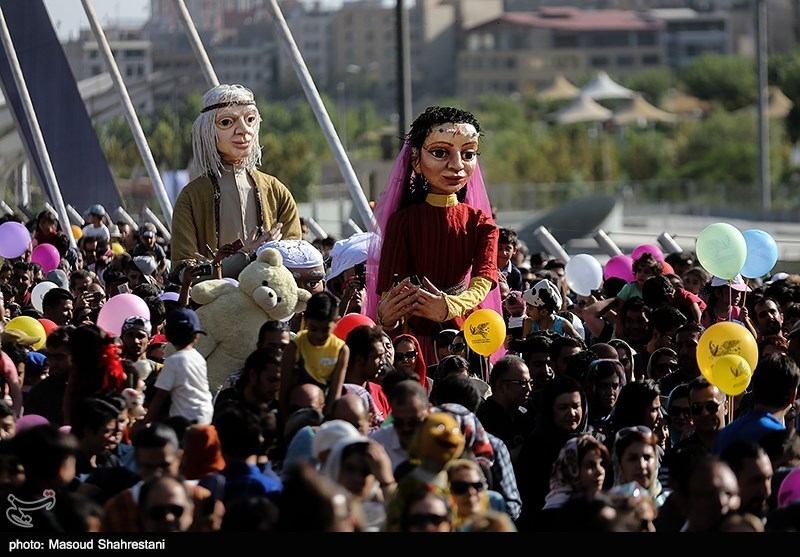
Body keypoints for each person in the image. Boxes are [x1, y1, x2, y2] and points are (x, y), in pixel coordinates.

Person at [366, 106, 501, 366]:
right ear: (416, 159)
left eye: (468, 154)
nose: (457, 165)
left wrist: (449, 306)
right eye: (441, 153)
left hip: (468, 333)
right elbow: (390, 289)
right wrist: (387, 315)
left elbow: (483, 282)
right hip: (416, 339)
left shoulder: (481, 223)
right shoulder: (403, 221)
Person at [170, 83, 301, 273]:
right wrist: (244, 256)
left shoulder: (276, 191)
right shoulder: (191, 197)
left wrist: (272, 252)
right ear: (206, 131)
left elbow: (297, 259)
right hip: (217, 300)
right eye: (226, 122)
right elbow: (183, 271)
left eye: (250, 119)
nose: (243, 130)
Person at [279, 291, 349, 418]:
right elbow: (284, 388)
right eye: (313, 328)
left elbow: (335, 391)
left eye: (325, 330)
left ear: (336, 322)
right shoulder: (294, 347)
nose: (318, 335)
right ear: (305, 321)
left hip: (324, 410)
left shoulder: (341, 350)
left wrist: (326, 419)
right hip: (295, 410)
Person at [146, 307, 214, 426]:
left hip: (185, 422)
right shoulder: (199, 358)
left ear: (169, 336)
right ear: (196, 337)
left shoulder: (173, 361)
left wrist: (145, 422)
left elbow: (160, 396)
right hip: (207, 417)